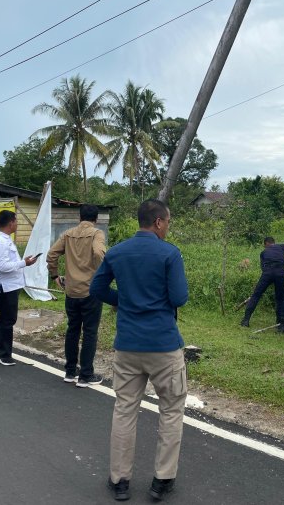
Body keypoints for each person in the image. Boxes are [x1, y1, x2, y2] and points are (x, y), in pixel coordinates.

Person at [90, 199, 188, 502]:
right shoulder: (169, 253)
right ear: (158, 222)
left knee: (124, 410)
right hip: (164, 346)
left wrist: (125, 300)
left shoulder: (117, 252)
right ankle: (162, 480)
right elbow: (180, 297)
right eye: (167, 222)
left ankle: (119, 480)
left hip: (128, 346)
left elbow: (96, 289)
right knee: (171, 412)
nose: (167, 227)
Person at [46, 204, 107, 387]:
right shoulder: (97, 234)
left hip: (71, 292)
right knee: (89, 333)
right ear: (95, 219)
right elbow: (98, 252)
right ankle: (85, 375)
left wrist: (55, 274)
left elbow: (51, 254)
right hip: (90, 291)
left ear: (79, 217)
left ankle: (70, 371)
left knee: (72, 330)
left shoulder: (68, 234)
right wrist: (100, 273)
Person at [0, 210, 39, 366]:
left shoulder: (4, 239)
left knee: (5, 317)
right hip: (4, 287)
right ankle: (4, 354)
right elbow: (1, 266)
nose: (17, 224)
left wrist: (23, 262)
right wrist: (23, 263)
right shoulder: (0, 241)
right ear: (11, 222)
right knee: (9, 319)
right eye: (16, 221)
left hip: (8, 286)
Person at [240, 237, 284, 328]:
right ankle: (280, 323)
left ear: (266, 244)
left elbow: (263, 267)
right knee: (280, 298)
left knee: (256, 296)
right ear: (274, 242)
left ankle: (245, 320)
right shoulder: (282, 247)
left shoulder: (263, 253)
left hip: (267, 273)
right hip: (280, 273)